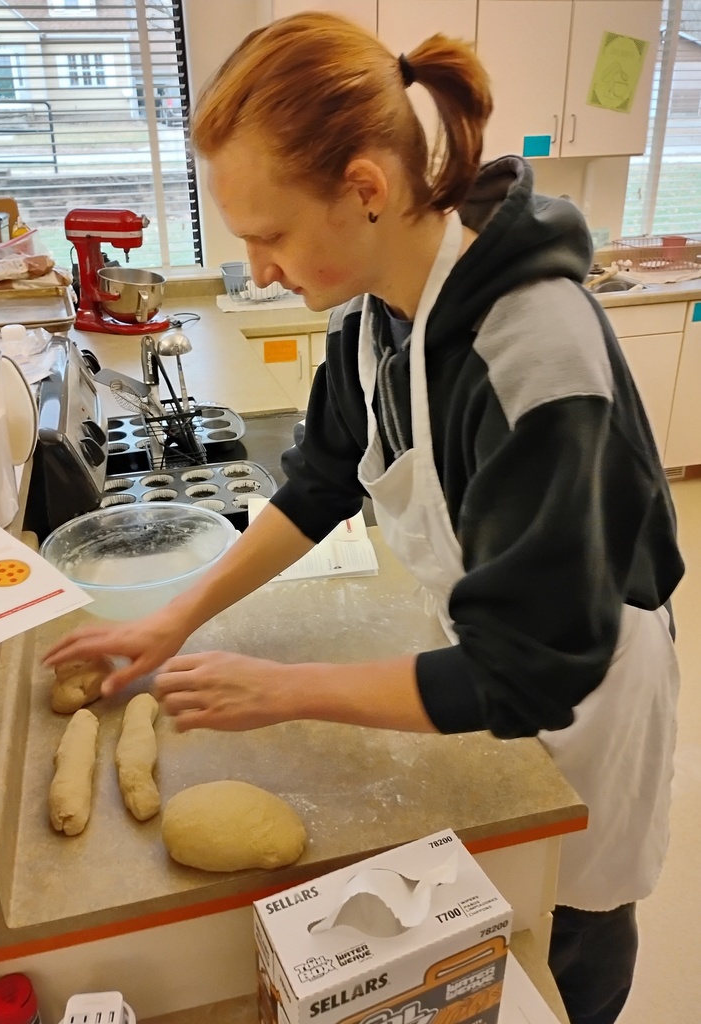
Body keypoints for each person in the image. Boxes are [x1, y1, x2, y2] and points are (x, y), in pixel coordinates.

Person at [45, 13, 684, 1024]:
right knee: (483, 921)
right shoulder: (376, 318)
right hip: (478, 648)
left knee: (565, 934)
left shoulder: (534, 356)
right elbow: (318, 485)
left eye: (272, 234)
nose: (258, 269)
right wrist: (176, 617)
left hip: (582, 690)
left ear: (367, 189)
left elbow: (527, 666)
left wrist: (288, 689)